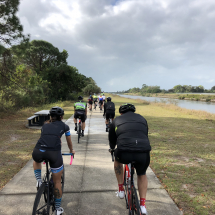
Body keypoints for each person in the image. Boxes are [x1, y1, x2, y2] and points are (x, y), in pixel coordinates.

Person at [108, 103, 151, 215]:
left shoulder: (117, 120)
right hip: (143, 152)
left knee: (117, 161)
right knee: (142, 174)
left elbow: (112, 139)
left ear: (121, 113)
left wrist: (112, 149)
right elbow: (145, 134)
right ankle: (142, 205)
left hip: (124, 152)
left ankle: (121, 189)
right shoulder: (142, 118)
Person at [32, 106, 75, 215]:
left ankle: (39, 181)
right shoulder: (65, 126)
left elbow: (46, 138)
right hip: (54, 154)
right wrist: (71, 150)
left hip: (38, 150)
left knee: (36, 159)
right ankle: (57, 209)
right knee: (57, 182)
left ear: (50, 116)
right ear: (61, 117)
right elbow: (68, 141)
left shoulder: (45, 125)